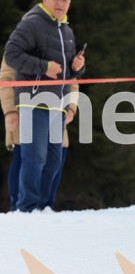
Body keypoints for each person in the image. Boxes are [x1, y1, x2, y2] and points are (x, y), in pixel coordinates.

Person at [3, 0, 85, 212]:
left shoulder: (66, 31)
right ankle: (27, 208)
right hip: (32, 101)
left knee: (54, 160)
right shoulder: (31, 24)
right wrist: (43, 67)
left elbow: (67, 73)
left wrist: (77, 68)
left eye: (65, 0)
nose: (60, 3)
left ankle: (43, 207)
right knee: (34, 158)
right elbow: (11, 55)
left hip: (57, 106)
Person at [1, 56, 78, 210]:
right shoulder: (20, 44)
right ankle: (19, 208)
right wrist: (10, 110)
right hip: (26, 114)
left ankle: (44, 208)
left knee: (56, 160)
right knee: (25, 159)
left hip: (56, 116)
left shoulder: (62, 43)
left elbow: (73, 82)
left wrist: (71, 108)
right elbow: (5, 80)